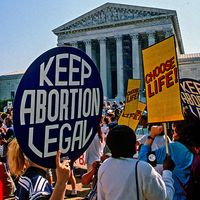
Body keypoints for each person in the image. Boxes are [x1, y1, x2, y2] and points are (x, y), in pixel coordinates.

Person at [98, 125, 175, 200]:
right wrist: (167, 172)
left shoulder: (104, 166)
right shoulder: (143, 169)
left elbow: (101, 197)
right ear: (135, 146)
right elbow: (164, 197)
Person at [138, 112, 200, 200]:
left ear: (182, 132)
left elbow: (143, 159)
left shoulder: (173, 149)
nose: (173, 135)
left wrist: (152, 135)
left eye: (175, 131)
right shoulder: (196, 147)